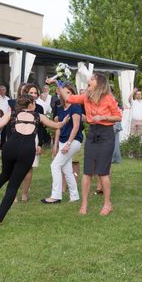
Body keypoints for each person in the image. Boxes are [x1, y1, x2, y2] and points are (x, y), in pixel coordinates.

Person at [0, 94, 67, 227]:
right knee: (13, 185)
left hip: (10, 147)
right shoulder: (38, 116)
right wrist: (64, 122)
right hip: (27, 151)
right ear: (30, 104)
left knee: (4, 175)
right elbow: (56, 125)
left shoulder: (12, 113)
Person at [48, 73, 122, 216]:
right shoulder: (86, 97)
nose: (88, 81)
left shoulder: (108, 99)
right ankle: (84, 204)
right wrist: (57, 82)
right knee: (87, 171)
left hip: (106, 134)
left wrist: (103, 117)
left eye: (92, 79)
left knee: (103, 172)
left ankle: (107, 204)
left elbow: (118, 116)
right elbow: (68, 97)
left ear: (99, 83)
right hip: (92, 134)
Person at [42, 84, 82, 204]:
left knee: (55, 166)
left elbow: (76, 127)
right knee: (67, 169)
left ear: (72, 94)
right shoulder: (59, 108)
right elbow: (58, 128)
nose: (65, 94)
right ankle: (74, 196)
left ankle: (56, 196)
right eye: (63, 92)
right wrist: (55, 145)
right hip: (62, 141)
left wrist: (68, 144)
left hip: (73, 141)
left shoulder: (75, 107)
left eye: (68, 92)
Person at [18, 84, 46, 202]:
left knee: (29, 167)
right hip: (18, 139)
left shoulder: (39, 108)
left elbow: (41, 128)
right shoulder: (17, 107)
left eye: (35, 93)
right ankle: (13, 193)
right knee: (16, 167)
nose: (33, 95)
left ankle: (24, 193)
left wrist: (39, 144)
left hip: (33, 139)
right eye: (31, 92)